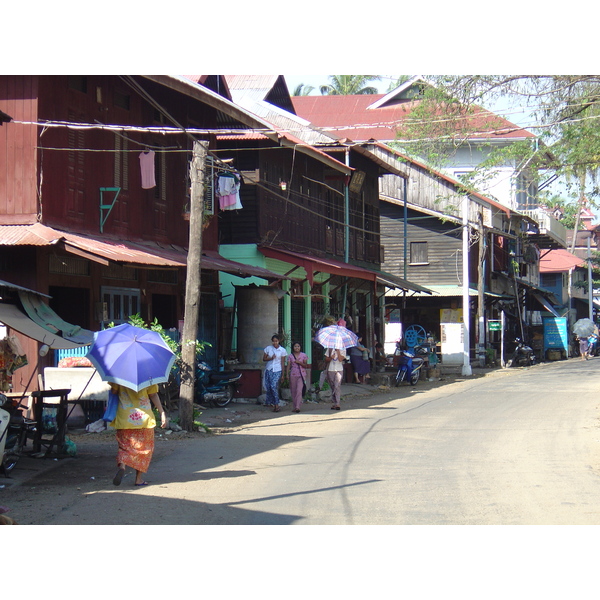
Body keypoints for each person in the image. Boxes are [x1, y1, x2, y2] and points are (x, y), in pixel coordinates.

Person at [110, 383, 167, 487]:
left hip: (125, 418)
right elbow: (153, 395)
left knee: (125, 446)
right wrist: (162, 412)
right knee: (144, 450)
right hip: (144, 419)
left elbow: (114, 391)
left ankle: (122, 465)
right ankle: (138, 479)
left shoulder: (120, 376)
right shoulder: (149, 376)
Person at [263, 334, 288, 412]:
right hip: (269, 369)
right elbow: (264, 358)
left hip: (277, 370)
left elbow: (282, 362)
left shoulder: (282, 350)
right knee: (269, 387)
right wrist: (271, 358)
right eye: (273, 341)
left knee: (273, 386)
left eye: (276, 341)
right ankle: (271, 402)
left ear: (279, 341)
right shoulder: (268, 348)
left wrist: (283, 375)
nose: (275, 343)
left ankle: (277, 404)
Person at [287, 341, 309, 413]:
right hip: (293, 375)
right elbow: (288, 366)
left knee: (299, 390)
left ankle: (298, 406)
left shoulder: (303, 355)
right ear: (293, 348)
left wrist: (300, 362)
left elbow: (306, 365)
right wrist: (287, 374)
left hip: (301, 375)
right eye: (295, 346)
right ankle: (294, 406)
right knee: (293, 391)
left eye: (298, 346)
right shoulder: (290, 356)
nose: (297, 348)